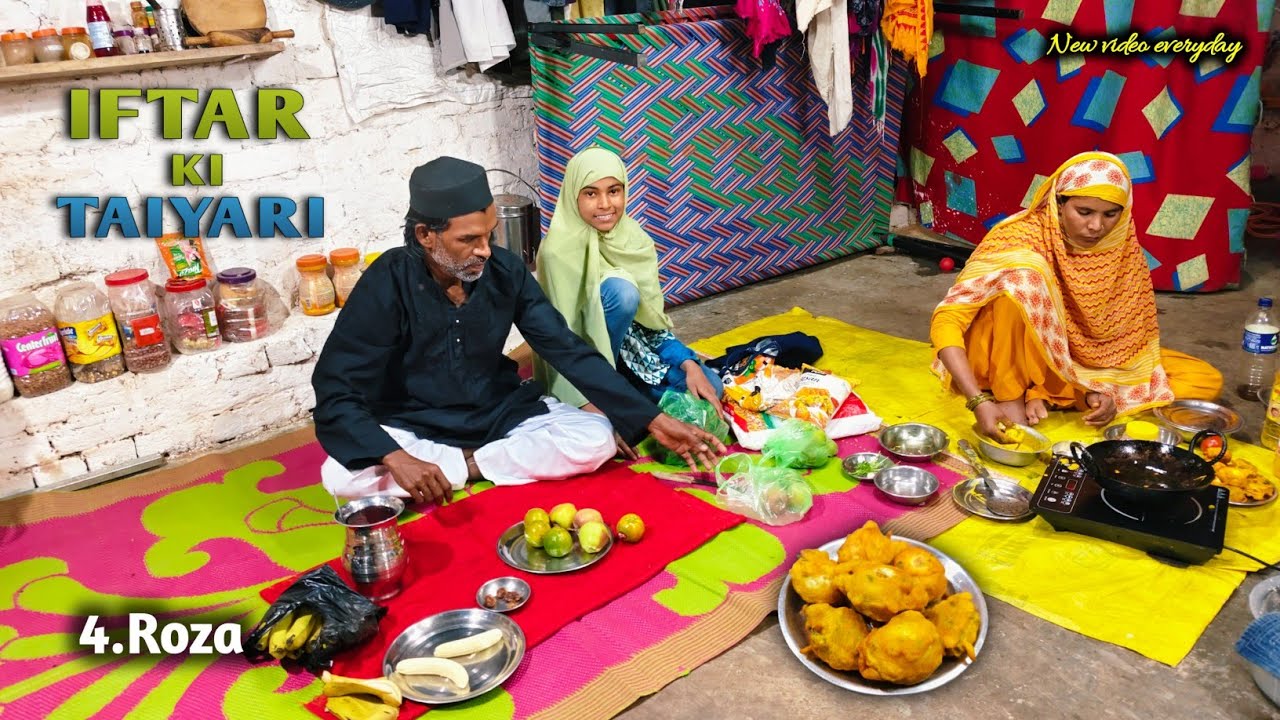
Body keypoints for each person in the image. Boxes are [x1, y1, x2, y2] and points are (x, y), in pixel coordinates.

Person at [312, 156, 726, 505]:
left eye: (490, 235)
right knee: (341, 474)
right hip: (414, 420)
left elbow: (566, 348)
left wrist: (650, 419)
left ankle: (461, 467)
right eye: (469, 239)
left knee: (596, 439)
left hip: (498, 411)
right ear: (425, 235)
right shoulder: (386, 281)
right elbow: (335, 389)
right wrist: (393, 456)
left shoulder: (504, 271)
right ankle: (471, 464)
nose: (485, 250)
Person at [929, 151, 1223, 440]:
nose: (1097, 227)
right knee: (1023, 277)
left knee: (1203, 380)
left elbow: (1117, 340)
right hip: (999, 355)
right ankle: (1012, 395)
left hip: (1068, 360)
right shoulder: (1018, 237)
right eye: (1084, 212)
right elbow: (947, 319)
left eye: (1111, 214)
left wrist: (1101, 389)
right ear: (1059, 202)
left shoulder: (1121, 244)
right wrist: (977, 400)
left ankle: (1048, 392)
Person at [536, 147, 724, 456]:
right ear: (573, 195)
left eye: (614, 191)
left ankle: (633, 402)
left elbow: (650, 323)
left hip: (632, 360)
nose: (605, 204)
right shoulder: (558, 251)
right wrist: (599, 404)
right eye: (590, 194)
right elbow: (558, 338)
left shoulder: (633, 238)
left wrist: (689, 363)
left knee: (710, 387)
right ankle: (617, 403)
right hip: (583, 371)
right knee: (622, 292)